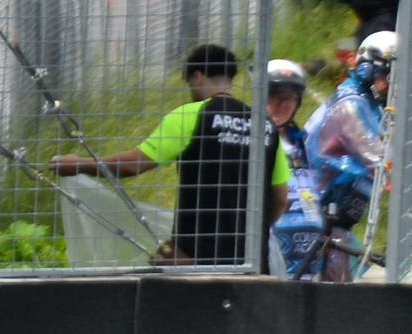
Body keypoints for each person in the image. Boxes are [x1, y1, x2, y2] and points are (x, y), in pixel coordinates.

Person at [50, 43, 289, 269]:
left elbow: (134, 165)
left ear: (197, 77)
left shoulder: (191, 115)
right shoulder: (265, 126)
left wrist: (79, 164)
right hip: (252, 264)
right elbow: (279, 199)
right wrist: (247, 236)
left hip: (195, 263)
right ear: (230, 80)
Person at [303, 29, 394, 281]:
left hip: (337, 218)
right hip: (320, 217)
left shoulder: (366, 101)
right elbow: (378, 157)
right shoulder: (351, 105)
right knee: (337, 293)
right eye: (388, 75)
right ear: (369, 69)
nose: (392, 85)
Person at [263, 59, 323, 277]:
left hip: (309, 254)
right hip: (272, 251)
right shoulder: (255, 138)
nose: (281, 104)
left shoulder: (302, 142)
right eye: (274, 96)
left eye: (288, 98)